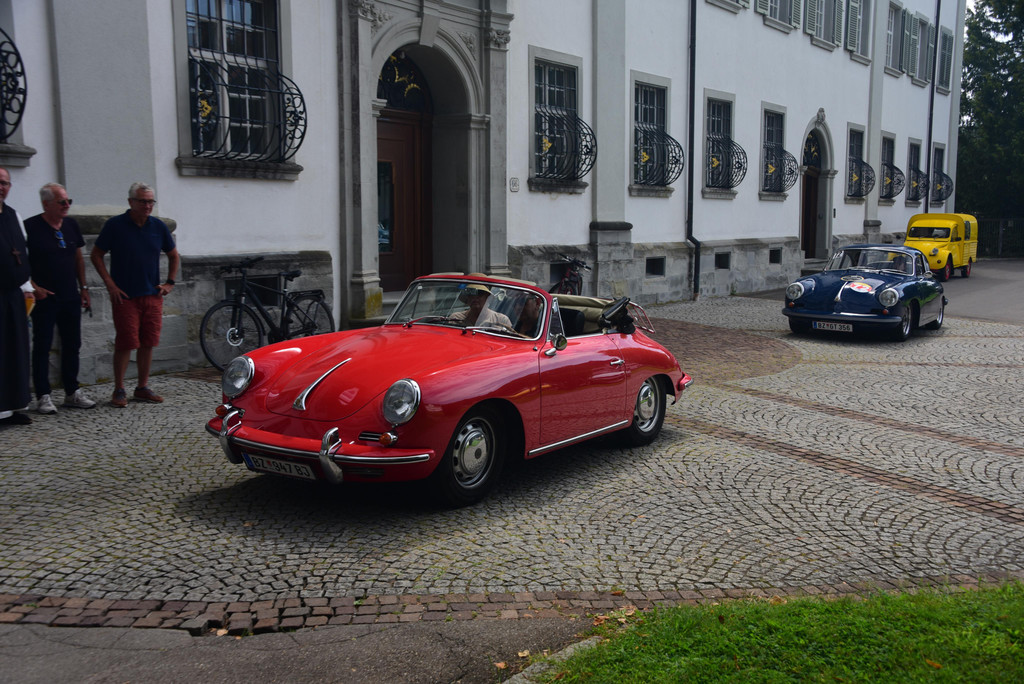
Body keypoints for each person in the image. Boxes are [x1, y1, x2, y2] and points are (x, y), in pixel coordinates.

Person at [90, 182, 180, 408]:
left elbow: (174, 255)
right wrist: (110, 285)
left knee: (148, 342)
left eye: (151, 201)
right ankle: (119, 388)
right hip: (125, 296)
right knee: (126, 342)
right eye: (142, 201)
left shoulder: (158, 226)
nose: (147, 206)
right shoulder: (115, 225)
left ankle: (142, 387)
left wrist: (169, 283)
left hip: (152, 294)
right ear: (131, 202)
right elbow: (96, 255)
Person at [25, 183, 96, 413]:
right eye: (61, 202)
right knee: (42, 345)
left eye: (68, 201)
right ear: (46, 204)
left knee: (72, 344)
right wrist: (34, 287)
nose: (67, 205)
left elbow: (78, 258)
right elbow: (21, 262)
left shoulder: (71, 225)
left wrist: (83, 287)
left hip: (69, 295)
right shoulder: (30, 227)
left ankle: (71, 391)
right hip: (45, 297)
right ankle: (43, 395)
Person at [0, 168, 35, 426]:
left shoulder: (14, 215)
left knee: (16, 350)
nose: (1, 187)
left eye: (4, 183)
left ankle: (14, 406)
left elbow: (21, 251)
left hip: (13, 294)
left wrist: (26, 286)